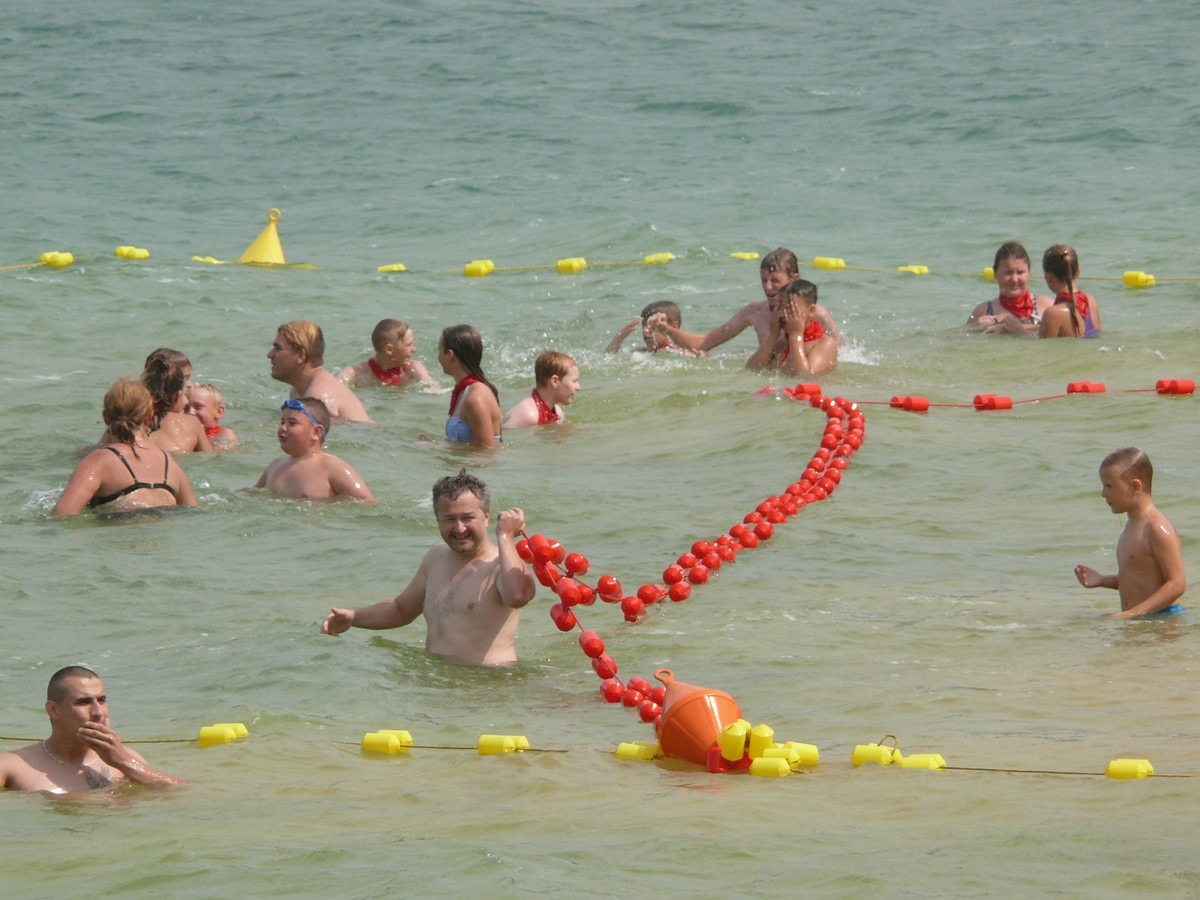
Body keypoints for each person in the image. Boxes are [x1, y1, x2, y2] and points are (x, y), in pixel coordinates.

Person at [321, 470, 536, 666]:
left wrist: (505, 536)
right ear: (437, 520)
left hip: (489, 682)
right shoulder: (436, 557)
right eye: (450, 519)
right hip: (439, 681)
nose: (460, 528)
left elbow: (518, 596)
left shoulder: (502, 562)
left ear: (486, 516)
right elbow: (401, 609)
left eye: (468, 518)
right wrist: (353, 617)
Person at [0, 666, 188, 792]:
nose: (98, 712)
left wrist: (122, 761)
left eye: (102, 700)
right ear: (54, 710)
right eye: (84, 702)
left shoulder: (126, 760)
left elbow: (183, 793)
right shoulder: (12, 766)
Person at [659, 248, 843, 358]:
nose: (768, 287)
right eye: (764, 280)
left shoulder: (817, 314)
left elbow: (839, 355)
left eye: (775, 280)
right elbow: (703, 342)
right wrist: (667, 330)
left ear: (794, 278)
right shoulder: (755, 312)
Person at [54, 379, 198, 515]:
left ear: (105, 417)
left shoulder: (98, 461)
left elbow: (62, 516)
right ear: (149, 418)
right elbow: (193, 511)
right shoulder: (168, 461)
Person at [1074, 447, 1186, 618]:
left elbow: (1177, 583)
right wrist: (1102, 580)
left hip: (1163, 619)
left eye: (1109, 486)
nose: (1103, 493)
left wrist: (1133, 612)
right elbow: (1138, 579)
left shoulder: (1157, 529)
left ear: (1135, 486)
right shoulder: (1132, 527)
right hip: (1142, 619)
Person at [254, 398, 374, 502]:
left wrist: (331, 509)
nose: (283, 428)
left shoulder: (331, 467)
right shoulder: (275, 466)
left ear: (316, 432)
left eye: (292, 423)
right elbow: (253, 494)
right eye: (282, 422)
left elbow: (366, 501)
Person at [268, 320, 371, 423]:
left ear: (301, 355)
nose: (270, 354)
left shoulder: (317, 397)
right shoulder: (298, 391)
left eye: (278, 348)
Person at [746, 278, 838, 375]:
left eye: (791, 309)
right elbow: (751, 369)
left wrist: (795, 335)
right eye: (780, 307)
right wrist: (773, 336)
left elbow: (805, 376)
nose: (784, 314)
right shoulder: (781, 342)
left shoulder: (826, 344)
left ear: (811, 311)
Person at [965, 241, 1054, 335]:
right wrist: (976, 327)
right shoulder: (983, 311)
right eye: (1008, 273)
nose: (1014, 279)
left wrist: (1019, 329)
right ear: (995, 274)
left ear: (1029, 273)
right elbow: (958, 337)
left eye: (1020, 272)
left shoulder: (1047, 307)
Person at [438, 324, 502, 450]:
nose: (438, 357)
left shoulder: (475, 397)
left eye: (439, 351)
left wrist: (438, 447)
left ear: (450, 355)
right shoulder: (465, 391)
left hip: (477, 470)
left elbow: (486, 450)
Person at [338, 318, 437, 389]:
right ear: (389, 349)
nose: (414, 349)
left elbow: (435, 389)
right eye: (409, 345)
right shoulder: (356, 372)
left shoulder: (413, 369)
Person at [502, 351, 581, 428]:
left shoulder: (558, 412)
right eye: (574, 381)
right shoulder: (529, 414)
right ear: (554, 381)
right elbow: (497, 437)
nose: (578, 387)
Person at [1039, 244, 1101, 339]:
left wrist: (1020, 331)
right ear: (1078, 271)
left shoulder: (1052, 314)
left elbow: (1043, 351)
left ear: (1048, 277)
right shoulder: (1091, 301)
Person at [606, 301, 703, 355]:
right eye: (643, 325)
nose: (646, 331)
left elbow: (703, 357)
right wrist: (619, 337)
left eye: (652, 326)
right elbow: (609, 356)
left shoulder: (682, 351)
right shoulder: (641, 352)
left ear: (674, 326)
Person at [188, 383, 239, 449]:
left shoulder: (225, 435)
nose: (189, 412)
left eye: (198, 407)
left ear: (218, 412)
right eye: (186, 408)